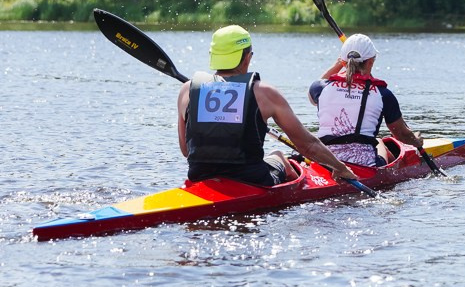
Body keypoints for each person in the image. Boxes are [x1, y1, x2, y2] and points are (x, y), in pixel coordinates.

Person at [178, 25, 363, 187]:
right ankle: (298, 188)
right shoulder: (264, 93)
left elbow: (187, 151)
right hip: (252, 180)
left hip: (199, 176)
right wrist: (340, 167)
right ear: (247, 57)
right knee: (279, 156)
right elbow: (308, 146)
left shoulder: (186, 91)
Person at [310, 33, 426, 170]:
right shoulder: (383, 94)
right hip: (364, 166)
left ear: (343, 62)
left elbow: (314, 95)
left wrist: (338, 64)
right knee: (379, 141)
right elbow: (401, 135)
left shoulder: (321, 88)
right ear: (371, 61)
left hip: (325, 162)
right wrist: (416, 141)